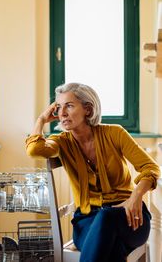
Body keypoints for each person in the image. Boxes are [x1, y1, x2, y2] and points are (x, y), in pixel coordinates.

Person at [25, 82, 160, 262]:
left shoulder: (114, 133)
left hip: (129, 218)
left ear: (88, 109)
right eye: (58, 107)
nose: (62, 113)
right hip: (87, 222)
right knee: (113, 247)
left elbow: (150, 167)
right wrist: (41, 120)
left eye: (69, 106)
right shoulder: (61, 142)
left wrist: (135, 197)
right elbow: (34, 150)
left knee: (108, 220)